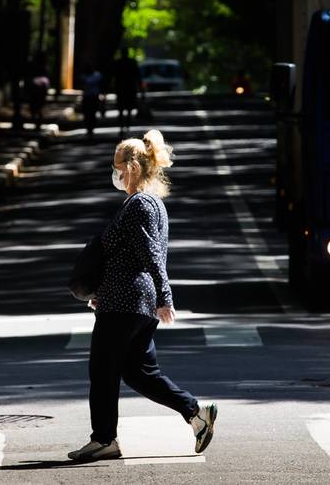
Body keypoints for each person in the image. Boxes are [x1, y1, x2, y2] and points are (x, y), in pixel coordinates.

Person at [68, 129, 218, 463]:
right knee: (138, 372)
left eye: (118, 167)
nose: (115, 174)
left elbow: (152, 254)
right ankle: (196, 414)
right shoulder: (145, 204)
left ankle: (104, 439)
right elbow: (129, 255)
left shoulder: (141, 204)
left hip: (128, 302)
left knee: (103, 369)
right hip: (130, 301)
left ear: (133, 166)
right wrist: (100, 292)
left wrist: (165, 295)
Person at [112, 47, 143, 128]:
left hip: (121, 88)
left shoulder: (117, 63)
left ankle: (122, 125)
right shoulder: (132, 62)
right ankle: (127, 123)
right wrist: (141, 89)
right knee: (129, 107)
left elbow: (113, 76)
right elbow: (138, 77)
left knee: (121, 108)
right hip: (130, 88)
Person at [80, 63, 104, 138]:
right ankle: (88, 128)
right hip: (87, 96)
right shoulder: (83, 76)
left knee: (93, 112)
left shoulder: (97, 75)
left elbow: (101, 85)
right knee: (86, 112)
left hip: (94, 96)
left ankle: (92, 127)